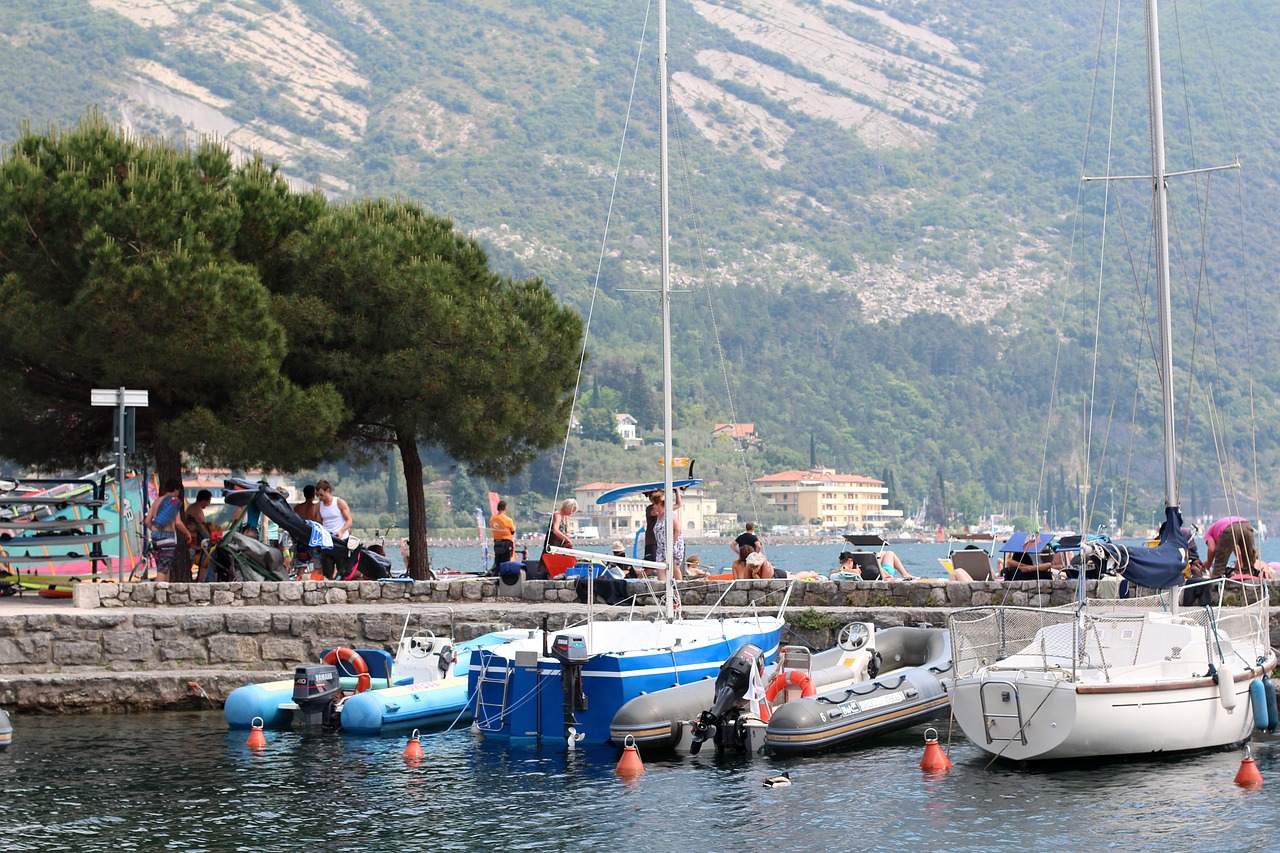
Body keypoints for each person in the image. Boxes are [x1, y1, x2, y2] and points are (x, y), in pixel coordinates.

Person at [144, 479, 192, 583]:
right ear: (176, 490)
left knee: (164, 568)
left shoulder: (156, 501)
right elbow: (178, 522)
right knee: (162, 570)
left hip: (155, 537)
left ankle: (165, 594)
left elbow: (147, 521)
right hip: (167, 538)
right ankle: (157, 595)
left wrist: (153, 529)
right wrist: (187, 533)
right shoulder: (173, 501)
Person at [1203, 515, 1268, 577]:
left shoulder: (1209, 533)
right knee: (1248, 566)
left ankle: (1215, 583)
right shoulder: (1218, 529)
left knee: (1219, 569)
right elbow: (1239, 552)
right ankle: (1248, 577)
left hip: (1230, 527)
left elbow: (1212, 549)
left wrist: (1208, 564)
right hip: (1246, 525)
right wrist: (1239, 568)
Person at [316, 479, 353, 579]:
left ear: (328, 491)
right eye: (317, 495)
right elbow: (319, 522)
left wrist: (341, 530)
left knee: (342, 569)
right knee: (327, 571)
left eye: (321, 495)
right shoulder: (319, 505)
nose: (319, 497)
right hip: (327, 540)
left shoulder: (339, 502)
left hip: (340, 539)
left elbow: (349, 520)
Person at [651, 489, 684, 580]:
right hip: (661, 546)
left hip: (672, 545)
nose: (652, 506)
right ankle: (663, 588)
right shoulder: (658, 515)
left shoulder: (669, 514)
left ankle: (680, 586)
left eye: (654, 504)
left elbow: (677, 529)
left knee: (673, 566)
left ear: (659, 504)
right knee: (660, 567)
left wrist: (671, 544)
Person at [184, 489, 214, 583]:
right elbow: (198, 527)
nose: (208, 504)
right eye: (208, 501)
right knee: (199, 562)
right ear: (204, 500)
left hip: (195, 539)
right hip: (193, 539)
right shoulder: (195, 510)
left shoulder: (195, 508)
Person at [490, 500, 516, 573]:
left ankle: (496, 574)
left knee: (498, 560)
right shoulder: (508, 520)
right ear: (505, 508)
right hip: (506, 542)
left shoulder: (492, 519)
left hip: (497, 543)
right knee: (506, 561)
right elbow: (513, 531)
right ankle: (505, 577)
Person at [644, 491, 661, 563]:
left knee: (661, 561)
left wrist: (676, 492)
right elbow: (656, 512)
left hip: (660, 540)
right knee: (650, 564)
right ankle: (642, 575)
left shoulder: (663, 507)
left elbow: (678, 505)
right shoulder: (650, 508)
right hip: (651, 540)